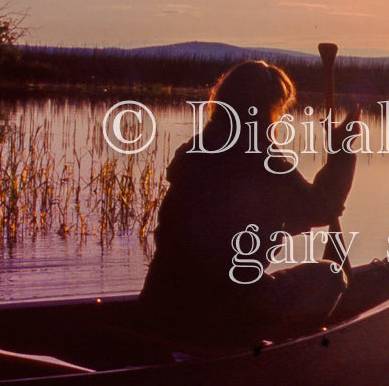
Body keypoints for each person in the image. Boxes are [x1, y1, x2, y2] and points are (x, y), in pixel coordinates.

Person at [139, 60, 358, 345]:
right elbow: (322, 209)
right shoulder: (265, 160)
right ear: (269, 108)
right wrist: (342, 151)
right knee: (331, 275)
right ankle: (276, 351)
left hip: (161, 302)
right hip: (224, 311)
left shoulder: (194, 151)